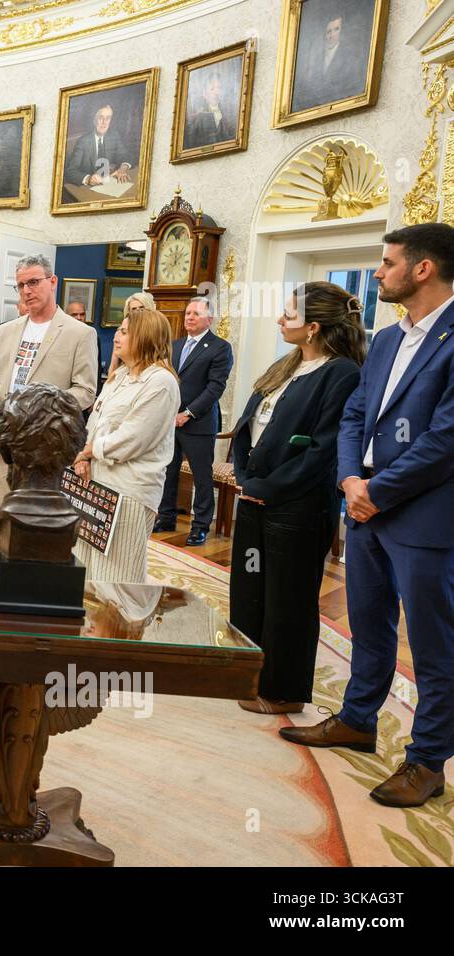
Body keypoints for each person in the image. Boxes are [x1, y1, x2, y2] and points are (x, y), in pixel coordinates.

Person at [282, 224, 454, 808]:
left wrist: (381, 490)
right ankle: (358, 719)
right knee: (368, 625)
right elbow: (354, 416)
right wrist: (352, 479)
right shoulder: (384, 340)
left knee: (434, 648)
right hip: (364, 506)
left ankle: (427, 761)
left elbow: (447, 438)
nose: (377, 272)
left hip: (427, 515)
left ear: (423, 269)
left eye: (387, 262)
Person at [228, 281, 365, 715]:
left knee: (287, 600)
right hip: (254, 495)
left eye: (288, 315)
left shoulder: (342, 372)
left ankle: (283, 689)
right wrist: (246, 475)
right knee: (250, 590)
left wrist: (267, 488)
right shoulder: (284, 365)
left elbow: (323, 449)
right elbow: (252, 424)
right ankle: (248, 675)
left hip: (297, 506)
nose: (279, 320)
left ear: (314, 326)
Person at [0, 253, 98, 514]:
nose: (26, 291)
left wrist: (41, 410)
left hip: (45, 451)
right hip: (5, 444)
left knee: (36, 529)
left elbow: (86, 391)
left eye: (34, 282)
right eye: (21, 285)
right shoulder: (6, 330)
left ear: (52, 281)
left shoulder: (80, 333)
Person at [71, 308, 180, 582]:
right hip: (97, 484)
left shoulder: (161, 382)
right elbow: (94, 422)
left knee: (118, 579)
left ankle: (123, 626)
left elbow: (133, 438)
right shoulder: (119, 376)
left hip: (130, 491)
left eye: (124, 331)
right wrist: (81, 456)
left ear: (144, 337)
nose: (116, 337)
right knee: (88, 572)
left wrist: (88, 451)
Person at [154, 296, 234, 546]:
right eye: (188, 313)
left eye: (196, 314)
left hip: (198, 424)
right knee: (168, 471)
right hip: (169, 421)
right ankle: (166, 517)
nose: (189, 317)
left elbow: (215, 388)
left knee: (201, 478)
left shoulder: (220, 347)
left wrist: (187, 413)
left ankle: (200, 526)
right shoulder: (174, 345)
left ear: (209, 319)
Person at [63, 104, 133, 188]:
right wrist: (88, 179)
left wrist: (123, 169)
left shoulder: (114, 136)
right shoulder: (83, 141)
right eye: (101, 117)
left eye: (108, 118)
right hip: (89, 189)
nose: (104, 122)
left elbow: (126, 155)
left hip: (110, 183)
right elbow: (70, 171)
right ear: (94, 120)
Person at [186, 72, 236, 148]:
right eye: (212, 89)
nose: (216, 92)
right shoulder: (198, 117)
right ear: (204, 93)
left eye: (219, 88)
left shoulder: (229, 114)